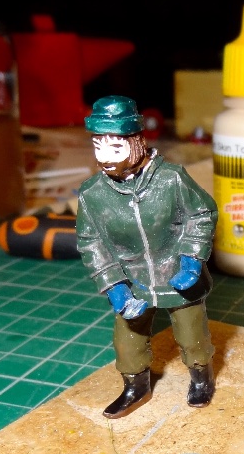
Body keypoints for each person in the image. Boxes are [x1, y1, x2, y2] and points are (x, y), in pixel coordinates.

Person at [76, 96, 219, 418]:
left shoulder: (172, 179)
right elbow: (90, 242)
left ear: (137, 143)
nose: (105, 157)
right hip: (133, 281)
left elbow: (202, 214)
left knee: (192, 335)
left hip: (179, 278)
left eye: (115, 148)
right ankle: (135, 386)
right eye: (98, 146)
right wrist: (114, 284)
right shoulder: (92, 194)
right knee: (127, 341)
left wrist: (191, 259)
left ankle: (201, 378)